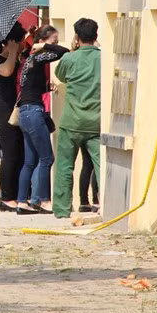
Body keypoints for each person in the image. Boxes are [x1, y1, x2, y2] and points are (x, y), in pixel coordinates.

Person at [16, 26, 69, 215]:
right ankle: (43, 200)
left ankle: (23, 201)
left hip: (25, 112)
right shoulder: (38, 57)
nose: (56, 44)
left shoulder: (27, 60)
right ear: (44, 40)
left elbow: (30, 85)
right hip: (33, 112)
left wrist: (47, 87)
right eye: (53, 40)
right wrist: (44, 46)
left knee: (30, 161)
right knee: (47, 158)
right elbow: (64, 52)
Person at [54, 18, 102, 218]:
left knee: (65, 166)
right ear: (96, 36)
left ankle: (62, 209)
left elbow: (61, 76)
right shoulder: (103, 58)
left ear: (76, 37)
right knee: (100, 166)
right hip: (96, 122)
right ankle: (105, 203)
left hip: (72, 121)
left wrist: (72, 51)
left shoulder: (69, 59)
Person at [0, 23, 27, 212]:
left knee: (18, 152)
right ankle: (6, 197)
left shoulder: (16, 58)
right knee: (9, 154)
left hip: (17, 111)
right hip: (5, 112)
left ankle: (15, 193)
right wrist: (13, 51)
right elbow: (5, 71)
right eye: (20, 41)